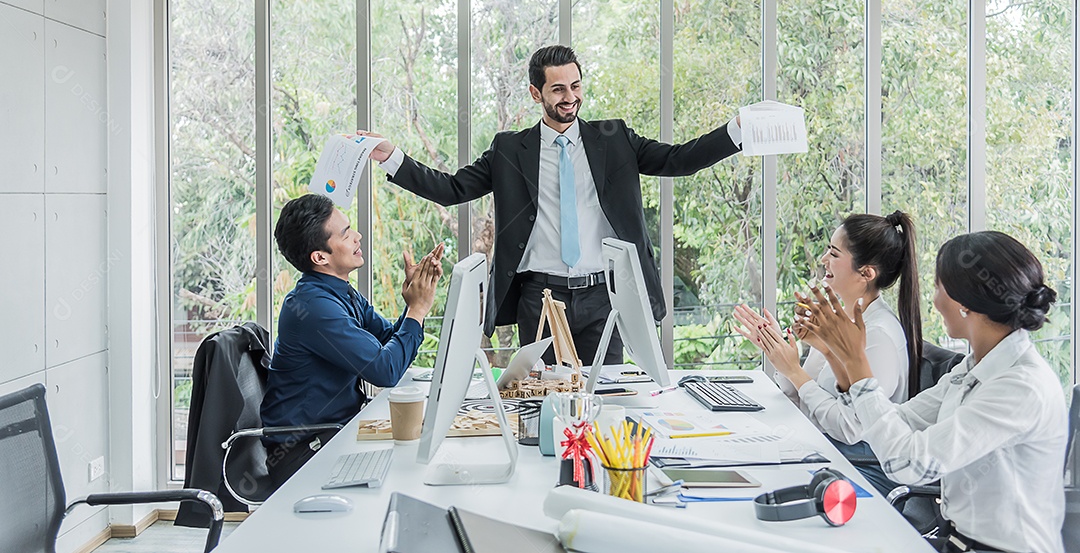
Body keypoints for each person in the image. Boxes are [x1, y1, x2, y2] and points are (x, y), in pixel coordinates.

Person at [360, 44, 742, 364]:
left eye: (575, 86)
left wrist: (736, 131)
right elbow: (452, 189)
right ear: (535, 93)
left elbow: (680, 159)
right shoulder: (509, 149)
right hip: (539, 298)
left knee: (602, 401)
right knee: (544, 403)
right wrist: (393, 157)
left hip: (602, 297)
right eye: (558, 89)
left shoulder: (615, 139)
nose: (570, 97)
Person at [803, 231, 1066, 553]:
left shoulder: (1020, 387)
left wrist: (858, 364)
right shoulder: (973, 368)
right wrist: (844, 359)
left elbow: (910, 464)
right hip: (955, 541)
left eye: (939, 287)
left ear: (965, 302)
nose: (934, 299)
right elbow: (898, 419)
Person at [732, 210, 922, 496]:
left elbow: (850, 430)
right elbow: (801, 399)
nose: (824, 260)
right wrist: (782, 353)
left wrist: (795, 372)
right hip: (828, 453)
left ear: (866, 274)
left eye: (834, 254)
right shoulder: (839, 319)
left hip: (861, 468)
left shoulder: (879, 336)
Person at [261, 193, 444, 487]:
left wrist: (414, 301)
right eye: (346, 234)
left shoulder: (338, 291)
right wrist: (417, 310)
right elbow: (385, 371)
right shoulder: (314, 307)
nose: (358, 236)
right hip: (304, 452)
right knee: (413, 470)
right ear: (320, 257)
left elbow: (386, 339)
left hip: (335, 431)